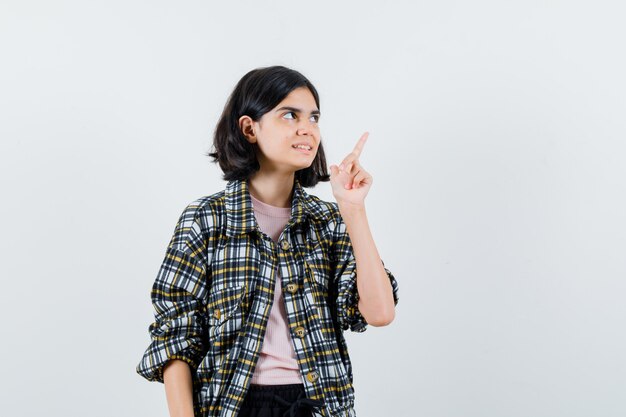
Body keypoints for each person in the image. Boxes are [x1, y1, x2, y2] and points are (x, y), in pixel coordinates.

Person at [136, 65, 400, 417]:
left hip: (317, 406)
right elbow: (176, 337)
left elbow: (380, 313)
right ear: (249, 128)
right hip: (231, 406)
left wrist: (352, 210)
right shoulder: (206, 219)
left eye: (314, 117)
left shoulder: (327, 222)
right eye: (290, 115)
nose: (307, 128)